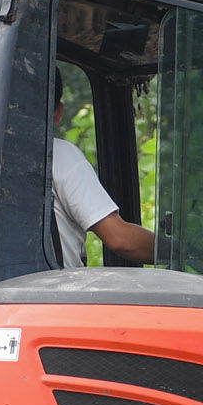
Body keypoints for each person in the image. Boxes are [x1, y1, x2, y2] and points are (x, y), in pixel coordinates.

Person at [50, 73, 154, 269]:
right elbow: (120, 238)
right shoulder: (58, 155)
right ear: (58, 113)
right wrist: (179, 250)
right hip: (51, 297)